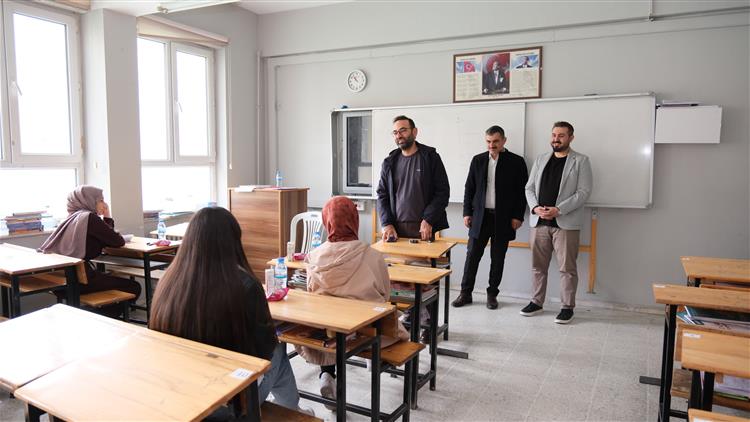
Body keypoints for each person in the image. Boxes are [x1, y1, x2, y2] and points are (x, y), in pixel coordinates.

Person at [149, 206, 304, 417]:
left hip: (181, 391)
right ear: (233, 241)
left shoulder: (169, 281)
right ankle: (293, 411)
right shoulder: (245, 284)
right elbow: (264, 349)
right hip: (230, 402)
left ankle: (293, 409)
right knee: (277, 350)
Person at [301, 196, 408, 408]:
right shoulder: (373, 256)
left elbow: (311, 295)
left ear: (327, 222)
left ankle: (327, 374)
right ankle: (373, 359)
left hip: (328, 335)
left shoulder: (313, 257)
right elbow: (385, 296)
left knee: (330, 325)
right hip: (366, 333)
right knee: (390, 322)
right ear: (354, 220)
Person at [521, 121, 592, 324]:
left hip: (565, 223)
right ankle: (536, 302)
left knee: (567, 269)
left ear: (571, 137)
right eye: (554, 135)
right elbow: (529, 188)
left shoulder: (581, 161)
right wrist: (535, 208)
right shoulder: (541, 159)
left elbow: (584, 192)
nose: (556, 139)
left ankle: (567, 307)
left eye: (561, 135)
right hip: (539, 222)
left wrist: (559, 210)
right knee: (537, 266)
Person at [452, 126, 528, 310]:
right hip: (480, 217)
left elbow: (522, 192)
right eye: (488, 141)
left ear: (504, 141)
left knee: (498, 258)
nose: (491, 145)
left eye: (495, 141)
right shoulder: (477, 160)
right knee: (472, 256)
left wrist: (518, 216)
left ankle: (492, 294)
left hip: (504, 219)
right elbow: (469, 188)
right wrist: (467, 212)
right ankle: (465, 293)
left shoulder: (516, 162)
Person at [39, 185, 141, 317]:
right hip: (80, 282)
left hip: (61, 282)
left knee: (108, 278)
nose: (104, 204)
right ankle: (100, 318)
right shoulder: (89, 218)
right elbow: (117, 241)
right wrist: (107, 216)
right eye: (101, 200)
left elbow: (107, 237)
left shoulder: (70, 219)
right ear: (89, 201)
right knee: (134, 287)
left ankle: (99, 316)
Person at [376, 115, 450, 242]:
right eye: (395, 132)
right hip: (396, 232)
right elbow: (382, 195)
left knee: (426, 257)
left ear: (414, 132)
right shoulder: (389, 163)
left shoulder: (430, 157)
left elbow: (442, 192)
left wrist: (428, 219)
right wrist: (386, 223)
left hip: (425, 229)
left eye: (403, 130)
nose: (399, 136)